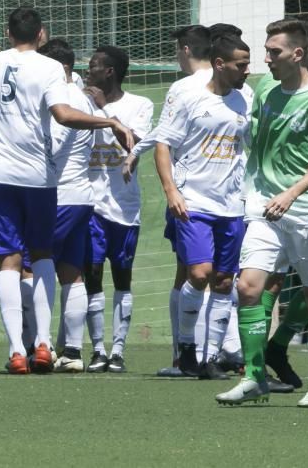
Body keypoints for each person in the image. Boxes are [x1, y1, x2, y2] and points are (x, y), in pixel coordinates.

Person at [0, 7, 134, 374]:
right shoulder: (50, 67)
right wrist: (110, 120)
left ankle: (16, 350)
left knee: (8, 260)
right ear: (41, 34)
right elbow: (64, 115)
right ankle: (42, 344)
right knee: (42, 257)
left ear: (7, 33)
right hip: (38, 177)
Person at [215, 17, 308, 408]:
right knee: (248, 288)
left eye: (274, 52)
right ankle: (254, 377)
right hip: (262, 207)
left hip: (307, 212)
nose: (265, 59)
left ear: (297, 54)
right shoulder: (266, 88)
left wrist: (292, 192)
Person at [154, 33, 252, 381]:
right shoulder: (190, 97)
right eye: (241, 65)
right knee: (198, 274)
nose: (247, 71)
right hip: (193, 200)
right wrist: (171, 191)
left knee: (225, 282)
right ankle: (186, 350)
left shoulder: (245, 101)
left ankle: (210, 357)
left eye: (248, 64)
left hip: (231, 205)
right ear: (220, 64)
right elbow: (163, 144)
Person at [83, 46, 153, 373]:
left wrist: (105, 114)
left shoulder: (139, 105)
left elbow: (134, 144)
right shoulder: (78, 102)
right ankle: (97, 349)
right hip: (90, 203)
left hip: (124, 207)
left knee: (121, 276)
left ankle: (118, 350)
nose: (88, 69)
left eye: (94, 65)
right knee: (91, 274)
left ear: (109, 71)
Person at [37, 38, 96, 372]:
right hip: (81, 196)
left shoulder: (62, 98)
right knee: (71, 273)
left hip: (59, 195)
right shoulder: (83, 97)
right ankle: (72, 352)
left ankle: (39, 345)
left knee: (32, 265)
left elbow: (54, 146)